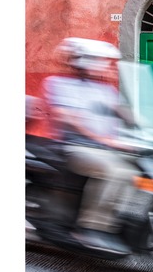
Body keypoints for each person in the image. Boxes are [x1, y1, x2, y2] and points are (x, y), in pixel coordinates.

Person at [42, 37, 139, 255]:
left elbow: (120, 110)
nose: (105, 66)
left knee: (132, 169)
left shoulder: (104, 89)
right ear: (84, 60)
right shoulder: (58, 84)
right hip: (75, 148)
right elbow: (71, 118)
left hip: (101, 148)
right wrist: (104, 139)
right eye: (99, 60)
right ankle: (91, 227)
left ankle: (113, 218)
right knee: (115, 171)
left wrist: (142, 122)